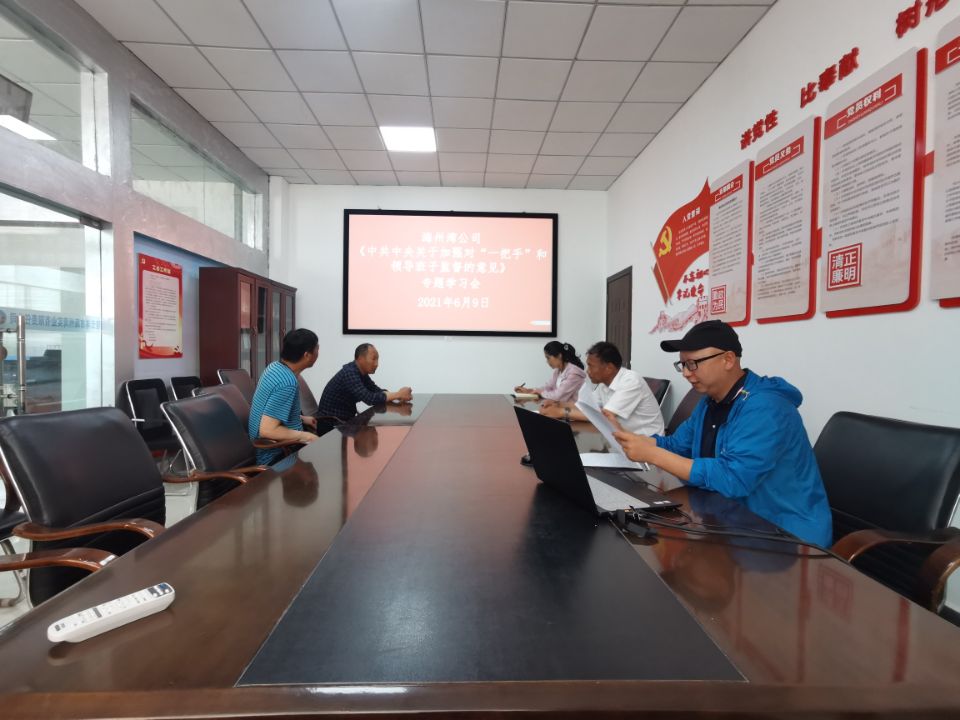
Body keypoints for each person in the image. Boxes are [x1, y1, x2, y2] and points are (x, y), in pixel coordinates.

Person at [610, 320, 832, 547]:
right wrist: (641, 442)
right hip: (730, 517)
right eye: (682, 365)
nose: (685, 373)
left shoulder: (766, 408)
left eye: (693, 364)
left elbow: (733, 478)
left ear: (728, 359)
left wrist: (653, 454)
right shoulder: (710, 402)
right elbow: (678, 445)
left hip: (785, 534)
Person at [540, 341, 664, 436]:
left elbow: (605, 417)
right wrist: (558, 404)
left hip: (648, 444)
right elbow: (587, 406)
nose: (587, 371)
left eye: (591, 366)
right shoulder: (604, 384)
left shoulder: (631, 381)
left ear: (609, 368)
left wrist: (562, 412)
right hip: (622, 437)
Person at [248, 328, 319, 465]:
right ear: (307, 355)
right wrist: (306, 436)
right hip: (278, 456)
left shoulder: (275, 367)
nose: (318, 352)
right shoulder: (287, 383)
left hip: (285, 447)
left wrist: (301, 418)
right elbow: (267, 430)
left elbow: (270, 412)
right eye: (317, 348)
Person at [315, 343, 412, 432]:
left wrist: (398, 396)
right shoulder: (350, 373)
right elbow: (369, 399)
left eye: (377, 359)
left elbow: (375, 390)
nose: (376, 364)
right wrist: (398, 394)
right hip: (330, 425)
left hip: (344, 421)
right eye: (373, 359)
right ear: (360, 358)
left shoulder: (360, 372)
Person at [514, 341, 586, 403]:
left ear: (559, 356)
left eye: (548, 358)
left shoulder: (574, 374)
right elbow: (548, 388)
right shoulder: (558, 371)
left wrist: (539, 393)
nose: (547, 361)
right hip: (561, 409)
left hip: (572, 411)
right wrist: (529, 391)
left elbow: (558, 396)